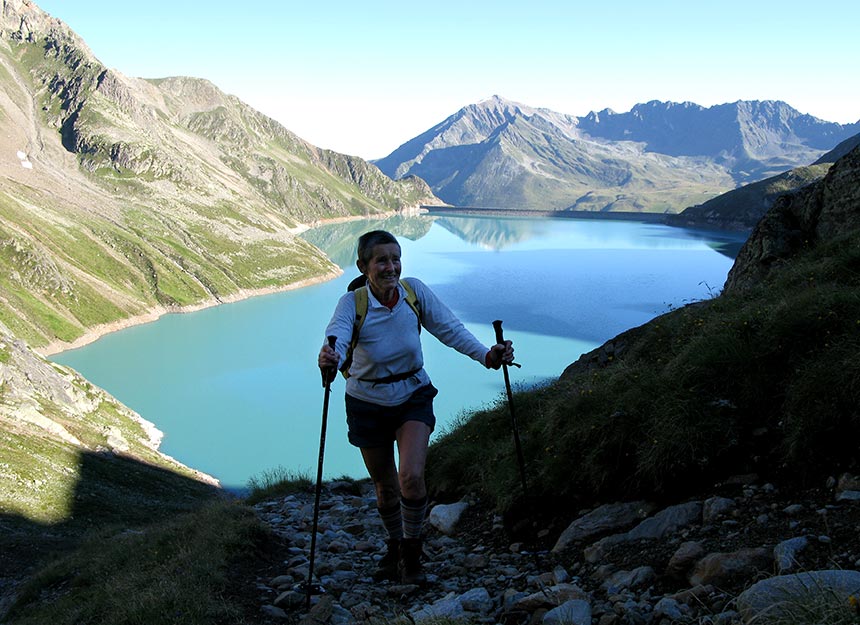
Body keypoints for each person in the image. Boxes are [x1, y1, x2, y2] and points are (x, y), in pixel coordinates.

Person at [317, 230, 514, 585]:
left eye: (395, 258)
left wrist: (487, 355)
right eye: (381, 260)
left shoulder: (413, 293)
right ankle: (395, 545)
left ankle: (412, 551)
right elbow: (339, 335)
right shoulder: (353, 304)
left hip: (413, 394)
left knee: (410, 475)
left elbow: (449, 328)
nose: (391, 267)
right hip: (366, 401)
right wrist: (330, 357)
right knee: (385, 486)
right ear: (363, 266)